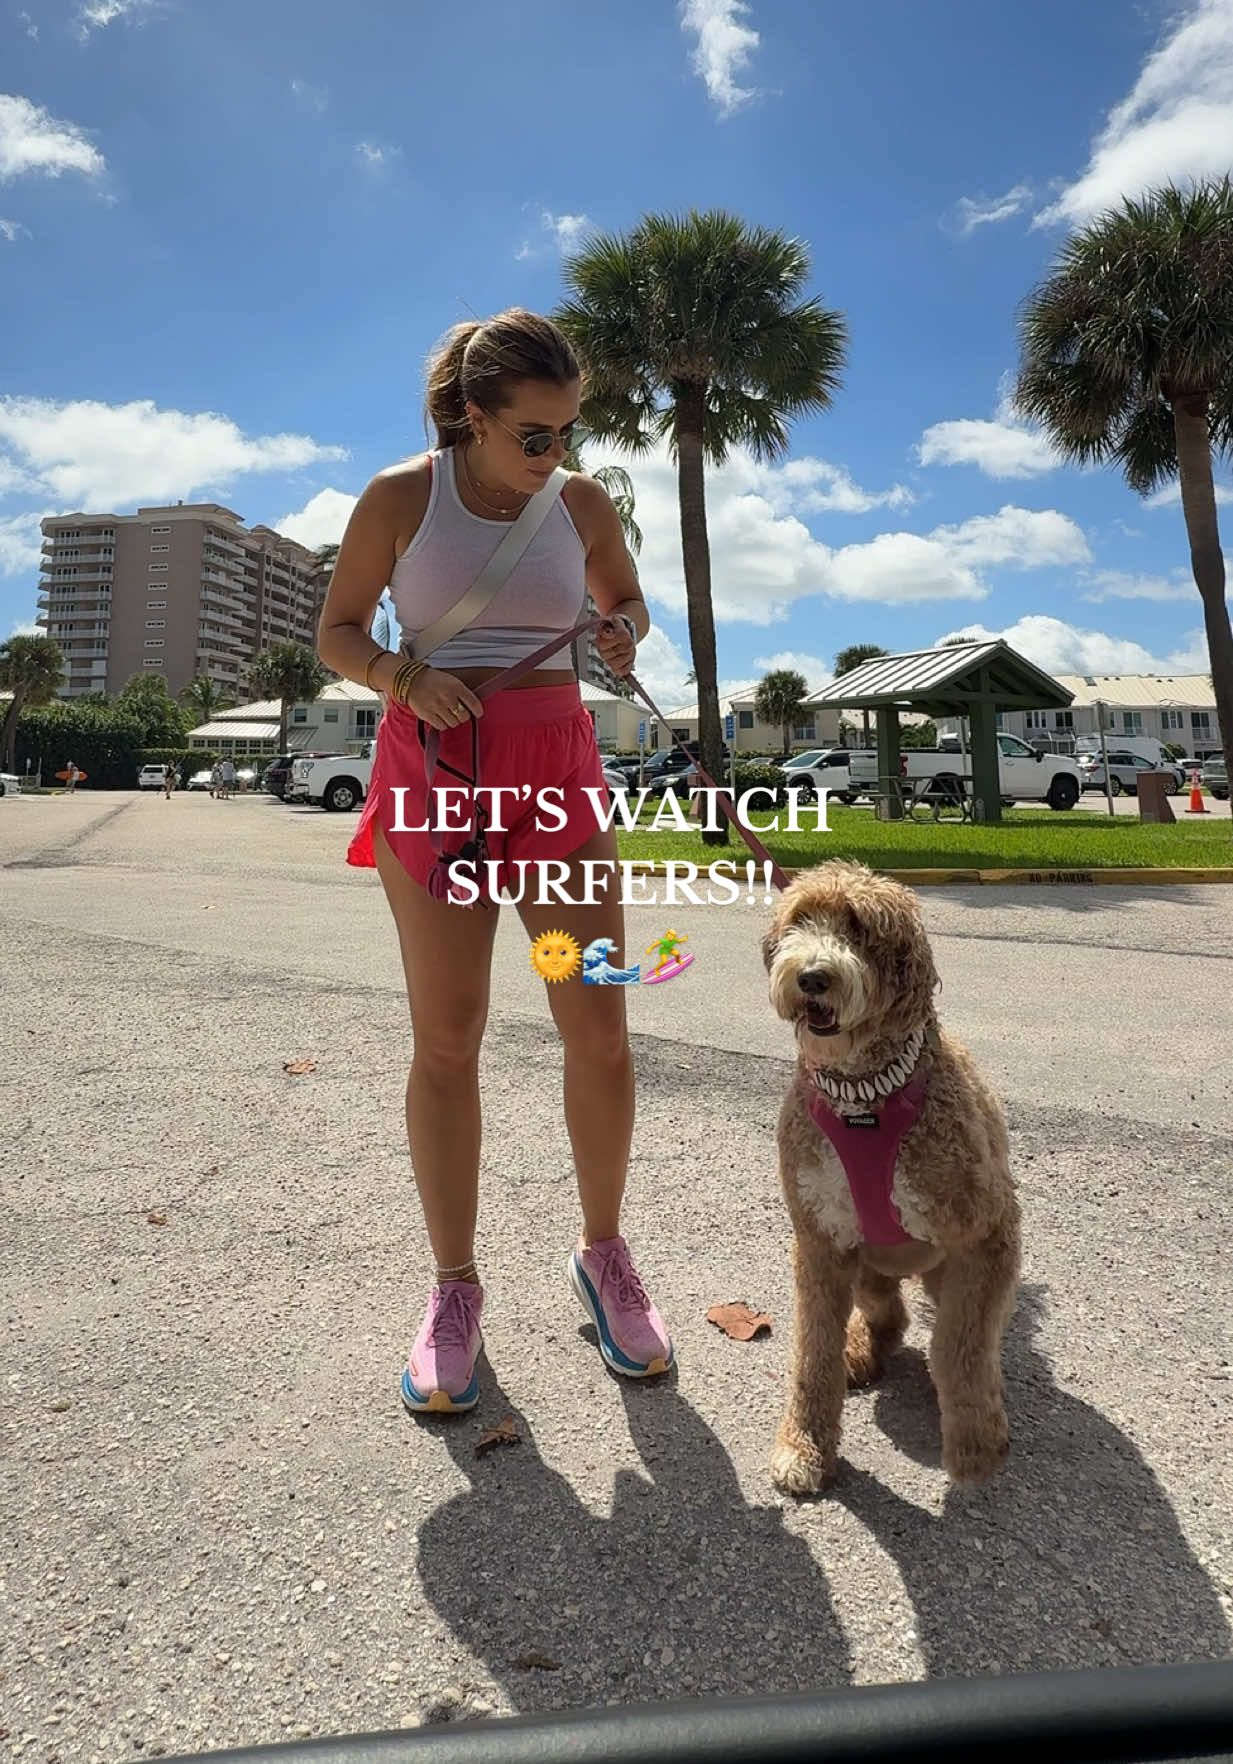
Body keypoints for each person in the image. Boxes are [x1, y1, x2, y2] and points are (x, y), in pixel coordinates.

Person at [318, 308, 671, 1415]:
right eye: (533, 435)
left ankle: (603, 1255)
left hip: (556, 771)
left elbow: (626, 604)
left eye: (569, 431)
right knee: (448, 1037)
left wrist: (621, 633)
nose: (554, 454)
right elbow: (335, 631)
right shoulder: (398, 499)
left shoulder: (582, 504)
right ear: (471, 417)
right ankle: (453, 1288)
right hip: (436, 773)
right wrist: (403, 677)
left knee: (598, 1021)